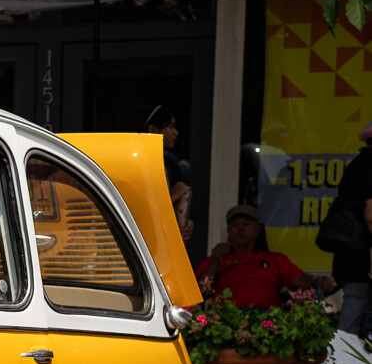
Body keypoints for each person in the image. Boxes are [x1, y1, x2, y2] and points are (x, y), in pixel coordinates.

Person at [197, 205, 331, 307]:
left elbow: (299, 281)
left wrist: (317, 281)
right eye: (234, 225)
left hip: (266, 324)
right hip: (225, 323)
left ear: (257, 229)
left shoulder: (274, 259)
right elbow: (197, 293)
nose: (241, 229)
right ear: (228, 231)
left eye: (246, 224)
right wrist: (215, 263)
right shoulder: (215, 260)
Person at [323, 124, 372, 337]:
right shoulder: (371, 166)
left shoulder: (357, 164)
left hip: (350, 257)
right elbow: (371, 214)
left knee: (352, 317)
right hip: (365, 257)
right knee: (356, 315)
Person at [144, 104, 195, 244]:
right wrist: (174, 195)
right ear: (153, 130)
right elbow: (142, 211)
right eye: (171, 127)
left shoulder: (168, 164)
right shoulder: (141, 165)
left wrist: (185, 222)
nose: (176, 133)